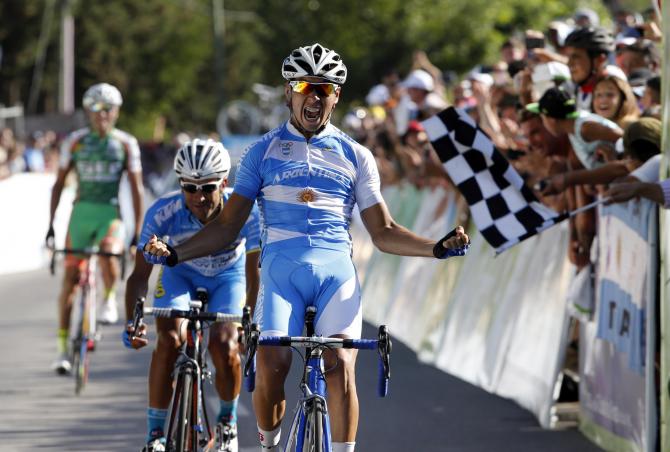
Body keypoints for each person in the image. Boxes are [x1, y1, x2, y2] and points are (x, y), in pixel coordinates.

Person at [142, 43, 470, 452]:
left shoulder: (357, 155)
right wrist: (176, 254)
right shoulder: (259, 152)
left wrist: (435, 248)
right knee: (272, 363)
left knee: (341, 368)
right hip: (281, 273)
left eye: (324, 88)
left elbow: (383, 231)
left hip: (336, 274)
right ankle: (269, 444)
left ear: (336, 96)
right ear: (288, 92)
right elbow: (227, 227)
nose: (313, 96)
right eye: (304, 86)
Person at [124, 138, 261, 452]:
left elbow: (255, 276)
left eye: (208, 187)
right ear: (180, 184)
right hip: (181, 275)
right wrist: (132, 322)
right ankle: (155, 435)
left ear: (224, 182)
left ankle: (227, 424)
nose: (199, 197)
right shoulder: (162, 212)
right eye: (190, 188)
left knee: (224, 343)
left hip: (229, 276)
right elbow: (139, 277)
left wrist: (249, 325)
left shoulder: (246, 213)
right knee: (169, 340)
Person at [47, 82, 144, 374]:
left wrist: (137, 231)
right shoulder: (74, 142)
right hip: (81, 213)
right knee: (70, 280)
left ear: (116, 112)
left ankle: (109, 297)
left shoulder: (126, 143)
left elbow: (137, 190)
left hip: (108, 213)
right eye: (96, 109)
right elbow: (59, 183)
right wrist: (51, 225)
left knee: (109, 252)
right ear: (88, 112)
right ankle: (63, 349)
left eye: (108, 109)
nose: (102, 115)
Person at [563, 26, 616, 111]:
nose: (569, 64)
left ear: (600, 59)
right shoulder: (580, 88)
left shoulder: (615, 88)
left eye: (576, 57)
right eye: (568, 57)